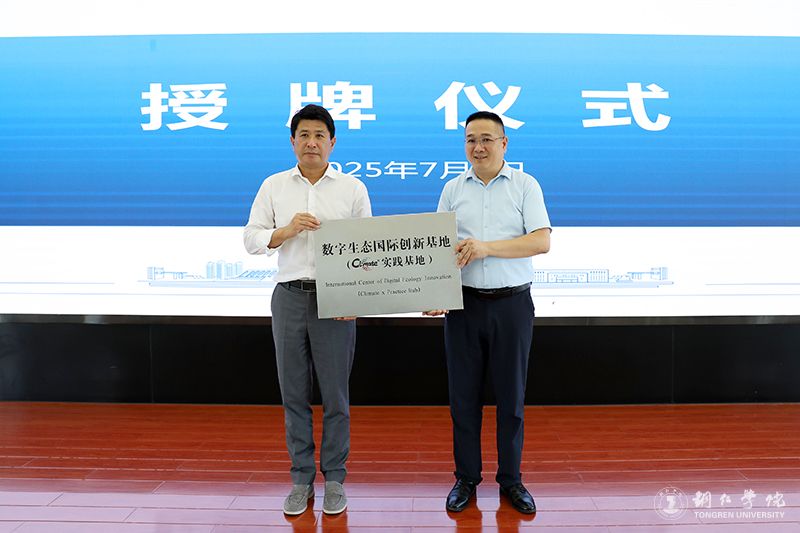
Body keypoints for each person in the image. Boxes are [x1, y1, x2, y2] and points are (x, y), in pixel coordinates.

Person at [243, 104, 371, 516]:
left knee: (336, 396)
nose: (311, 142)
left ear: (332, 142)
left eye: (319, 135)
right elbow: (251, 238)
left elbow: (367, 249)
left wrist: (355, 297)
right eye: (304, 135)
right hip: (290, 296)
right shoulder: (274, 186)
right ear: (292, 141)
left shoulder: (352, 188)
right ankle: (301, 479)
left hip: (336, 298)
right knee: (293, 393)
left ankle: (334, 478)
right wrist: (286, 230)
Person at [425, 111, 551, 514]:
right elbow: (438, 247)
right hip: (463, 305)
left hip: (512, 305)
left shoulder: (525, 185)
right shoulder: (452, 189)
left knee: (511, 398)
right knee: (463, 398)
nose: (477, 147)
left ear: (503, 143)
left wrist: (485, 248)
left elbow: (540, 242)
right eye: (470, 140)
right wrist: (433, 290)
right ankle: (466, 478)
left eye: (486, 139)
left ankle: (511, 480)